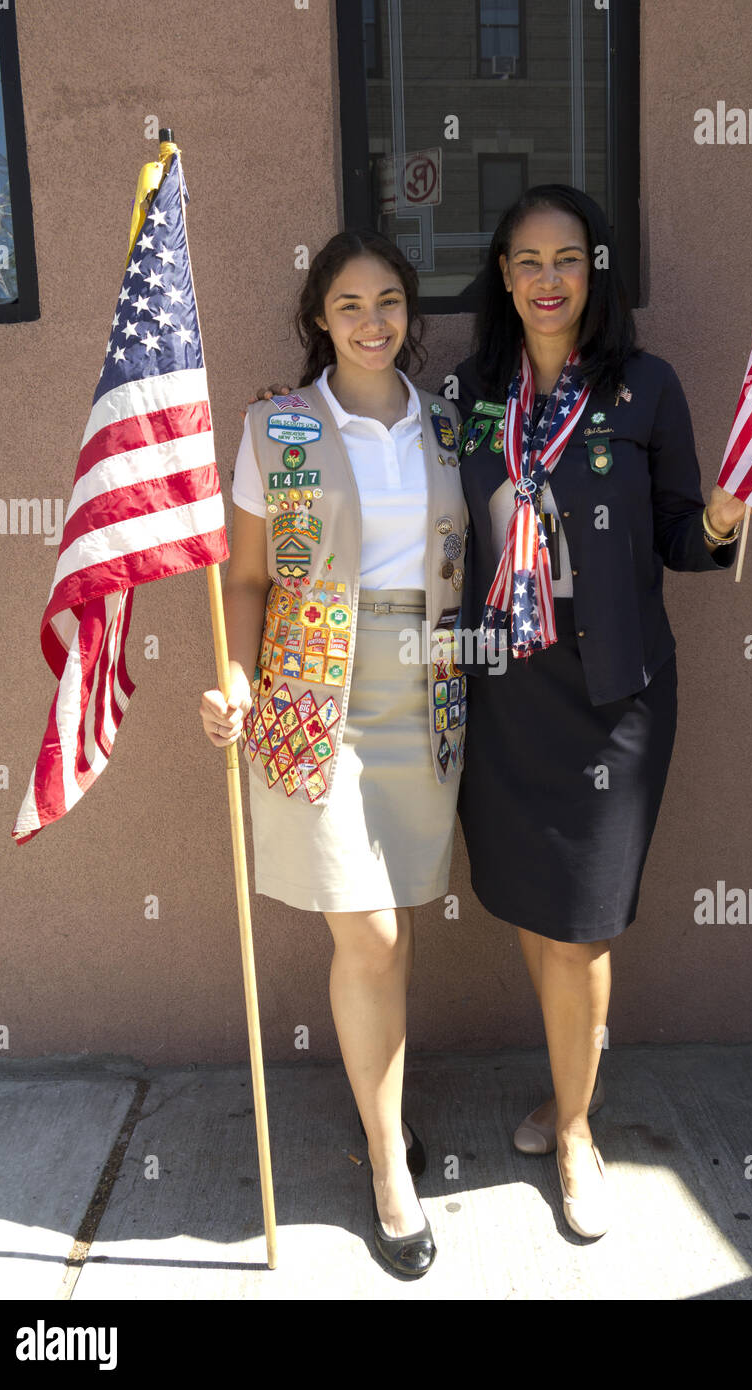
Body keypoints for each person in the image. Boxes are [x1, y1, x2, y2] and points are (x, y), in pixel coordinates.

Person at [445, 184, 745, 1238]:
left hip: (614, 694)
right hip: (509, 685)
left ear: (597, 272)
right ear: (501, 274)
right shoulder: (469, 389)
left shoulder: (647, 387)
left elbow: (676, 531)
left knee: (580, 926)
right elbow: (414, 494)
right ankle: (573, 1084)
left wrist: (711, 523)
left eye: (566, 258)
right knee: (537, 907)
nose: (545, 279)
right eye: (524, 259)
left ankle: (576, 1128)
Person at [200, 230, 468, 1277]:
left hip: (427, 693)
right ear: (319, 317)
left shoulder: (449, 422)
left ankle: (382, 1114)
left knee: (394, 929)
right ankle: (387, 1165)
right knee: (372, 934)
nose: (371, 320)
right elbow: (245, 580)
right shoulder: (279, 428)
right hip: (317, 698)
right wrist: (233, 677)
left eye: (389, 299)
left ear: (411, 311)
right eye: (348, 303)